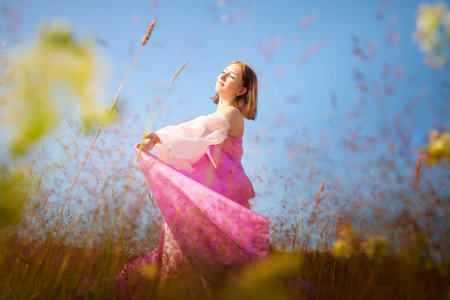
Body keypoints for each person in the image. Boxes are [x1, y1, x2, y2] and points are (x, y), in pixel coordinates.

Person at [116, 61, 270, 298]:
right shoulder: (222, 115)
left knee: (207, 268)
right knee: (187, 262)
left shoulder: (232, 115)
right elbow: (196, 142)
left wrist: (159, 137)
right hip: (205, 197)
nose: (223, 76)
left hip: (216, 201)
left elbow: (197, 130)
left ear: (241, 90)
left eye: (232, 76)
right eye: (223, 71)